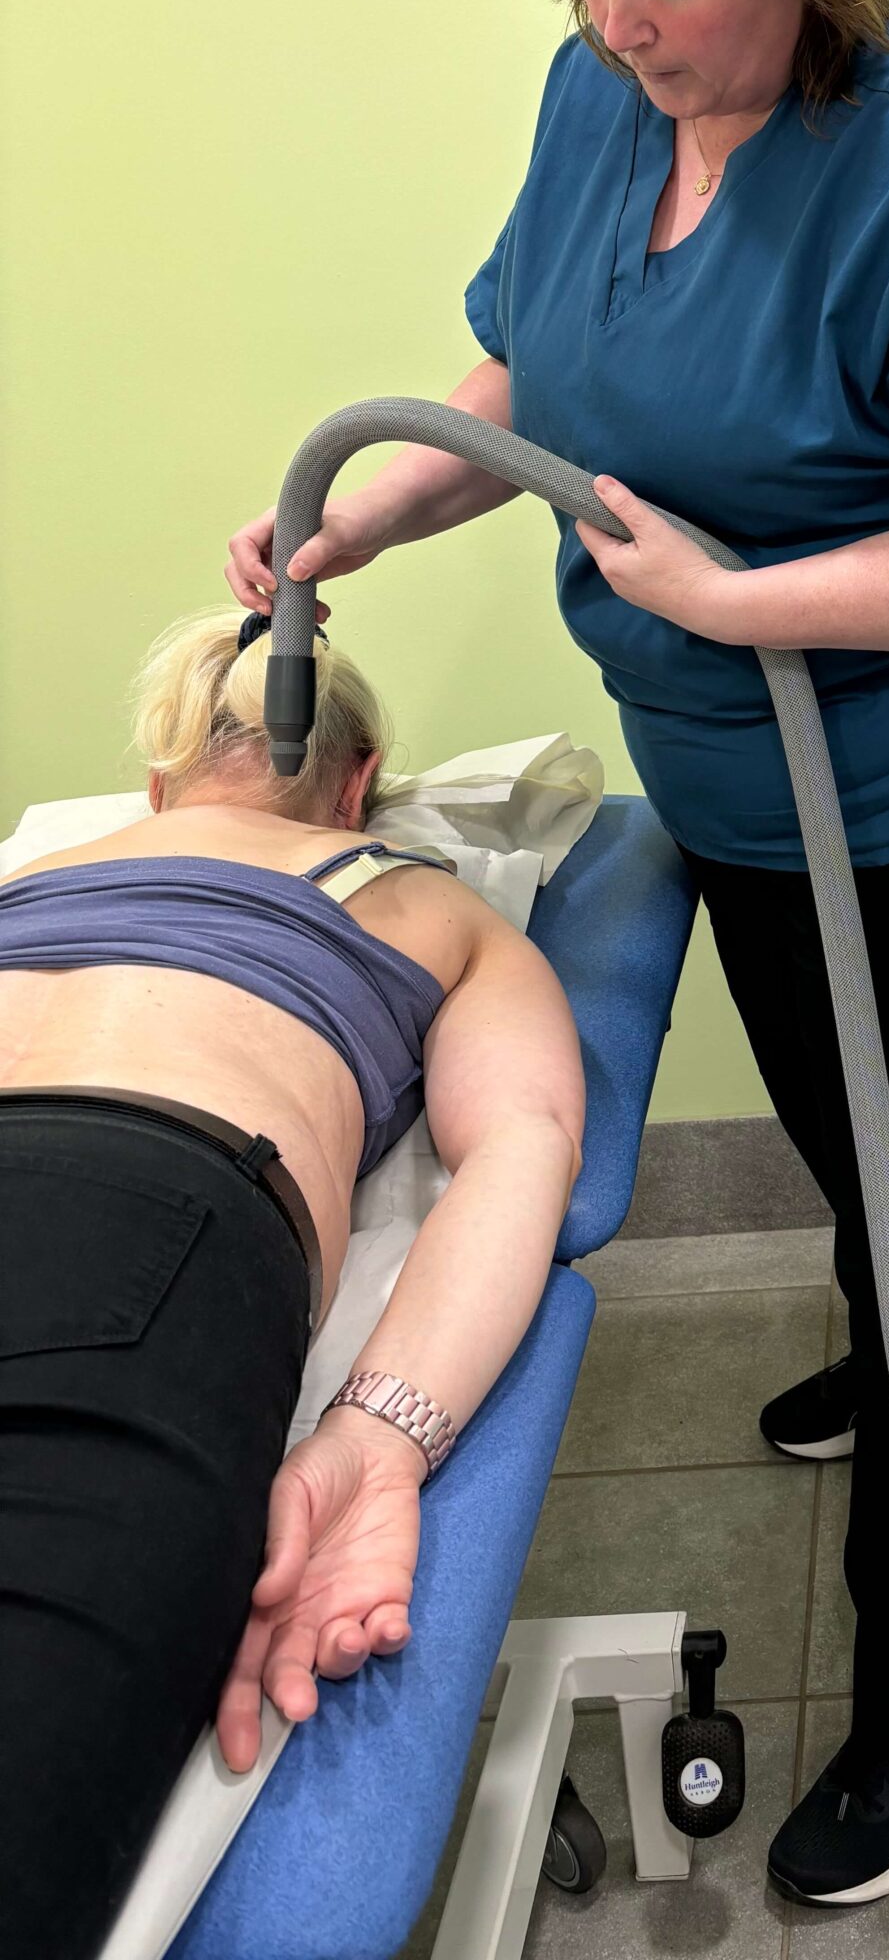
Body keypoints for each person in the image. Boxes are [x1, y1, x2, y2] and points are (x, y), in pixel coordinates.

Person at [226, 0, 889, 1907]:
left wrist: (745, 601)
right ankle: (887, 1341)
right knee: (846, 1132)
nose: (621, 19)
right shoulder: (596, 100)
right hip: (730, 768)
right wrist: (377, 516)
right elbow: (534, 364)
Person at [0, 611, 585, 1960]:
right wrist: (378, 1435)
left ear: (157, 785)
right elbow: (526, 1146)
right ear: (363, 778)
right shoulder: (418, 898)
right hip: (133, 1220)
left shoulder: (41, 871)